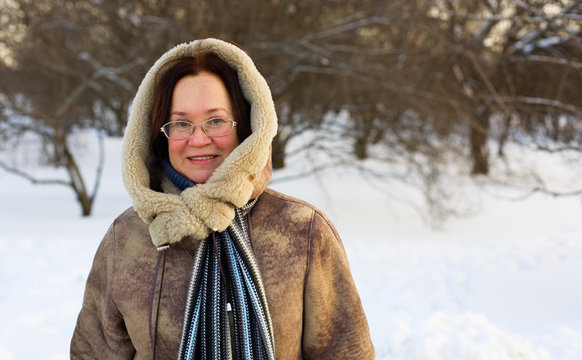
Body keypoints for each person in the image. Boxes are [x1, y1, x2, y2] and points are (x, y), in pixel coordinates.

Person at [71, 38, 374, 360]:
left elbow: (345, 353)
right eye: (180, 123)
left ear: (246, 127)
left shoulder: (302, 231)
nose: (199, 139)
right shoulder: (127, 238)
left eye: (216, 121)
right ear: (158, 133)